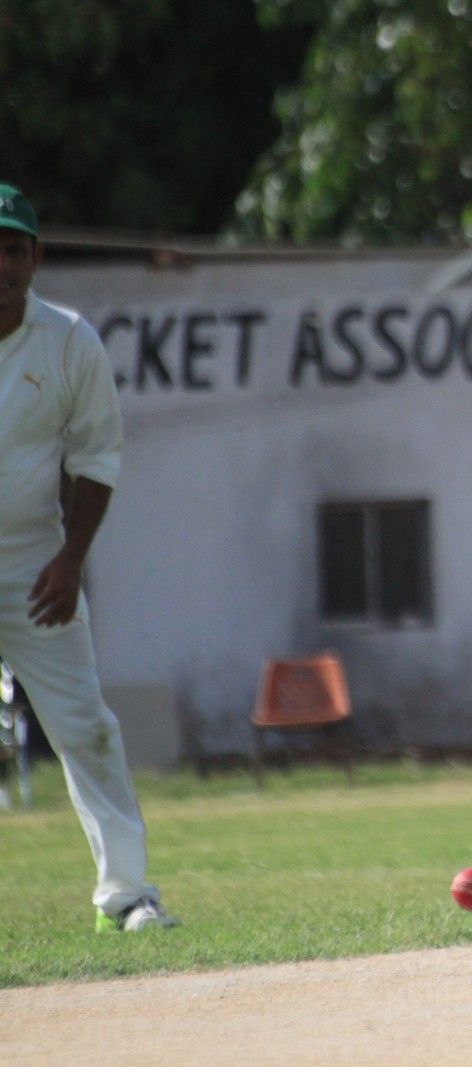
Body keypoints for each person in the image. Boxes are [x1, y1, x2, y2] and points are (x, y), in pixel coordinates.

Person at [0, 182, 178, 930]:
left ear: (36, 257)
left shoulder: (70, 341)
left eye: (13, 249)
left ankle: (127, 895)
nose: (2, 265)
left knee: (86, 726)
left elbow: (96, 459)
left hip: (34, 565)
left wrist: (71, 559)